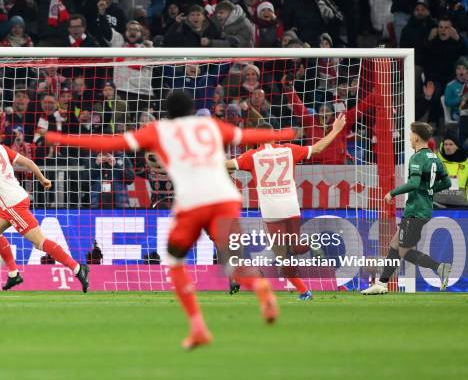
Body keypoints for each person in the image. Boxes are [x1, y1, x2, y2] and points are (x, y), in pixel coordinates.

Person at [46, 90, 297, 349]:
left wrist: (61, 137)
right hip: (226, 199)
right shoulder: (208, 125)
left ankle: (198, 327)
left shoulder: (160, 130)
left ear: (168, 112)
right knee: (235, 262)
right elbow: (247, 136)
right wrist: (282, 135)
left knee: (175, 260)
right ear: (191, 110)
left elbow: (110, 144)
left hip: (192, 202)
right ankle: (260, 286)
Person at [226, 116, 347, 300]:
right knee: (296, 248)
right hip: (291, 207)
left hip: (272, 212)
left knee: (282, 256)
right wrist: (336, 130)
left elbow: (227, 165)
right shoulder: (289, 150)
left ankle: (305, 292)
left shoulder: (252, 156)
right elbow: (318, 148)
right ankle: (312, 243)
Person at [0, 123, 90, 292]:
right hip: (14, 199)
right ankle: (14, 274)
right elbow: (27, 161)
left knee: (39, 242)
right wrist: (42, 179)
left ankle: (78, 268)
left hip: (12, 204)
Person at [361, 122, 452, 295]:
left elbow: (414, 183)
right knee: (395, 245)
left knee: (402, 250)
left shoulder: (417, 158)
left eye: (411, 135)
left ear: (417, 136)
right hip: (423, 209)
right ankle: (382, 284)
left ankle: (439, 267)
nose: (409, 138)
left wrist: (392, 193)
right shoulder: (434, 157)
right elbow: (446, 182)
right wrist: (430, 190)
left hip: (415, 210)